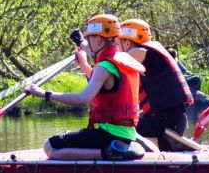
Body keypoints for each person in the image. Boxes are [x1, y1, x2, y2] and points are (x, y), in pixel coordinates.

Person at [25, 14, 145, 160]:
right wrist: (84, 64)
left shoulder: (104, 66)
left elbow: (83, 98)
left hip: (109, 134)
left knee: (50, 146)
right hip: (126, 135)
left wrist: (45, 93)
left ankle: (108, 153)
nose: (88, 43)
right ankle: (114, 150)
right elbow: (102, 84)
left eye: (89, 38)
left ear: (98, 40)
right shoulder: (124, 60)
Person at [115, 18, 194, 151]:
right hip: (172, 120)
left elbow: (111, 67)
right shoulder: (150, 53)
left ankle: (165, 143)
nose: (116, 47)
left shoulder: (139, 52)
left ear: (127, 43)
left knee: (119, 130)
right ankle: (164, 142)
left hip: (167, 121)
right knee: (129, 124)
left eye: (118, 43)